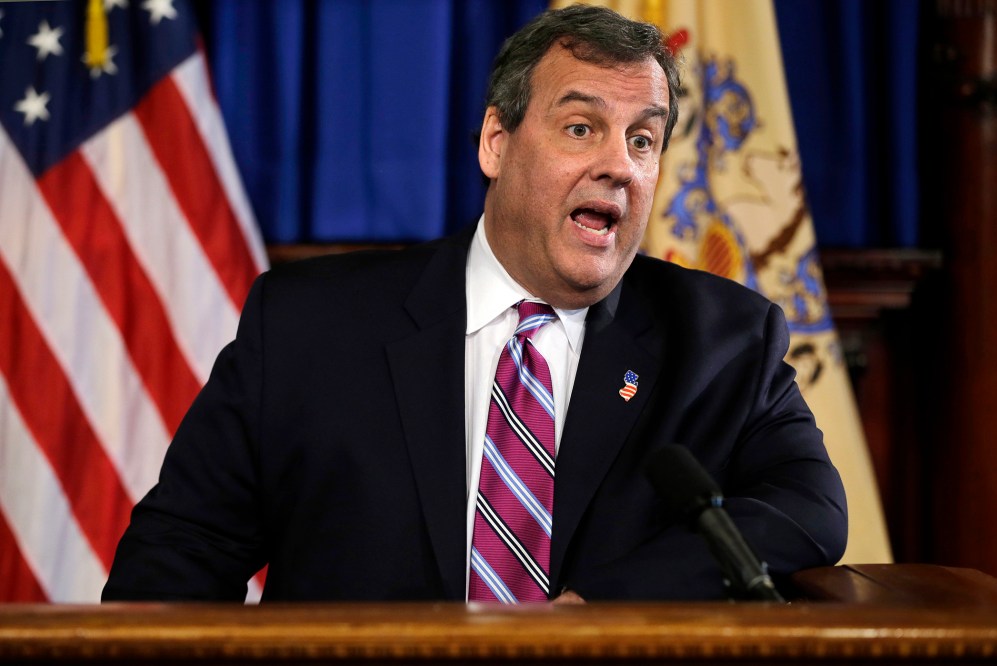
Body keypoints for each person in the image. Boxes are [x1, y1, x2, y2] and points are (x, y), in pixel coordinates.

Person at [103, 5, 847, 603]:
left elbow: (811, 510)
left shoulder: (722, 340)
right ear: (497, 141)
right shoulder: (309, 328)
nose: (619, 165)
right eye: (582, 128)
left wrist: (603, 609)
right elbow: (177, 559)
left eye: (643, 140)